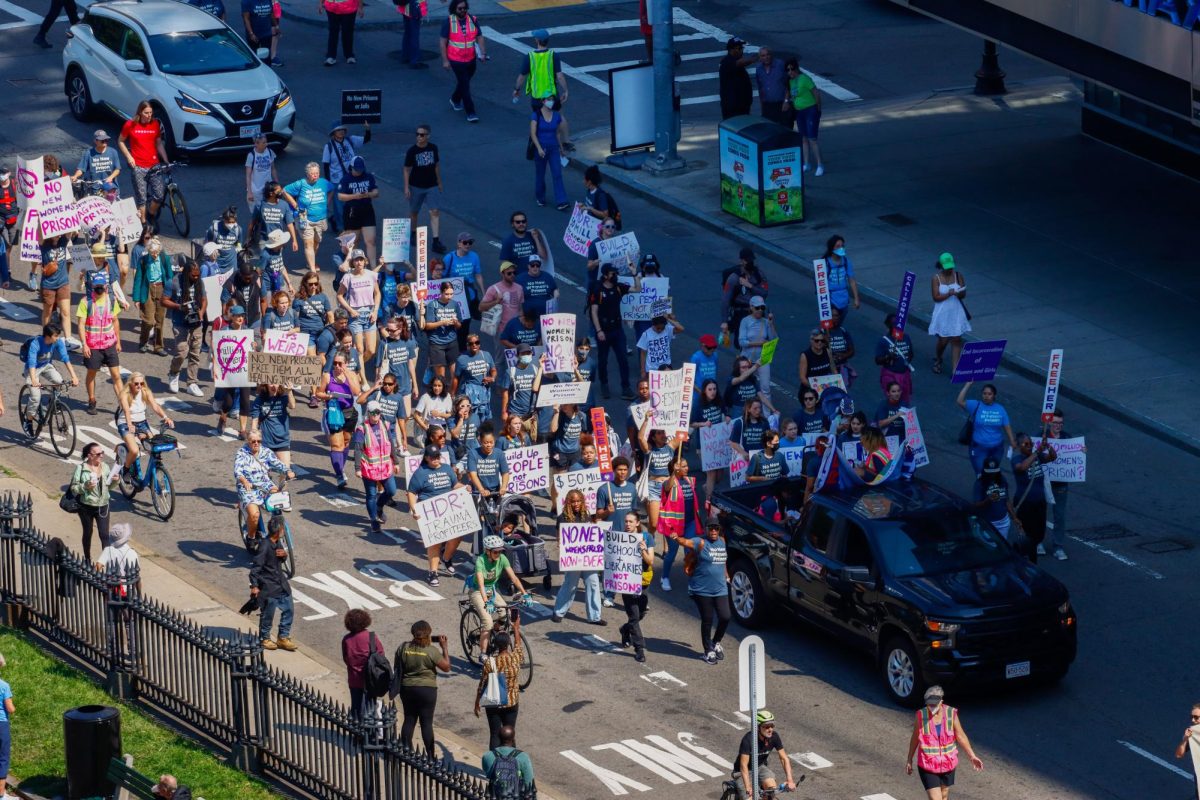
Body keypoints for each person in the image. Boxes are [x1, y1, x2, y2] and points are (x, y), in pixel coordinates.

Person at [905, 685, 984, 798]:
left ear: (941, 701)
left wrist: (972, 756)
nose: (931, 707)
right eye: (929, 705)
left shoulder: (951, 714)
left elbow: (960, 736)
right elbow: (915, 738)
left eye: (934, 705)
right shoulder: (921, 716)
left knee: (944, 795)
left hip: (948, 764)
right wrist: (909, 759)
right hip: (928, 765)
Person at [671, 521, 730, 664]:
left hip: (720, 588)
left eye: (717, 528)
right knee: (707, 619)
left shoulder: (722, 541)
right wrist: (676, 538)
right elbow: (686, 542)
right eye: (711, 528)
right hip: (701, 590)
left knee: (725, 616)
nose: (714, 531)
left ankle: (715, 642)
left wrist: (727, 575)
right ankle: (707, 650)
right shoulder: (700, 542)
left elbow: (722, 561)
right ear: (706, 529)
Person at [407, 445, 465, 585]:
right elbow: (412, 492)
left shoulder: (446, 468)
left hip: (449, 510)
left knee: (457, 536)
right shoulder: (420, 473)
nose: (436, 459)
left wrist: (464, 487)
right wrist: (414, 509)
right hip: (430, 513)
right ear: (426, 458)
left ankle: (446, 558)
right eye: (433, 457)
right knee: (435, 543)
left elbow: (454, 484)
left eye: (438, 456)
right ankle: (433, 573)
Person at [77, 271, 129, 417]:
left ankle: (122, 405)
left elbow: (115, 321)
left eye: (101, 287)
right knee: (92, 373)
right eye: (96, 287)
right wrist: (84, 344)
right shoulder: (85, 302)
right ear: (92, 287)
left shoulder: (111, 300)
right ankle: (92, 400)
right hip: (93, 346)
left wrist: (118, 341)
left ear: (106, 287)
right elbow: (81, 324)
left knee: (116, 376)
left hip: (109, 344)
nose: (98, 290)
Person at [474, 608, 525, 750]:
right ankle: (512, 763)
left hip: (494, 703)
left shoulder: (490, 662)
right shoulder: (515, 658)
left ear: (495, 645)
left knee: (495, 734)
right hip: (511, 702)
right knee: (510, 733)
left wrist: (477, 702)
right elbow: (518, 645)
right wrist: (516, 627)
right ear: (508, 644)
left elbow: (482, 683)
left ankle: (494, 764)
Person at [552, 490, 605, 625]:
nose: (576, 504)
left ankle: (595, 616)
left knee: (593, 583)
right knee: (570, 585)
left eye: (578, 501)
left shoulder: (587, 515)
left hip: (588, 558)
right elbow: (559, 538)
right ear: (568, 503)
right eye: (573, 501)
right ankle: (559, 612)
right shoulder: (562, 517)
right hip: (573, 559)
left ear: (582, 501)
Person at [117, 101, 169, 225]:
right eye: (146, 113)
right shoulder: (130, 124)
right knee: (142, 199)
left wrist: (166, 160)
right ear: (140, 112)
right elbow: (120, 141)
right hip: (138, 166)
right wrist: (129, 157)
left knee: (159, 195)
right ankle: (144, 223)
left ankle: (150, 214)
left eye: (151, 113)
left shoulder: (155, 124)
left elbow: (158, 144)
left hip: (154, 165)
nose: (149, 115)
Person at [317, 351, 362, 490]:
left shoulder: (352, 375)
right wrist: (328, 397)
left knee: (346, 441)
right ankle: (339, 475)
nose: (336, 366)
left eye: (340, 363)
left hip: (349, 413)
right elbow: (318, 393)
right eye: (335, 363)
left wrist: (347, 374)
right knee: (337, 445)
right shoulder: (327, 376)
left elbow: (356, 392)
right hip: (334, 413)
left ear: (346, 364)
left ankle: (340, 468)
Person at [250, 517, 296, 651]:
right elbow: (256, 567)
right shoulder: (264, 546)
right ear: (279, 530)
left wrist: (284, 555)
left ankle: (283, 637)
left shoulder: (277, 542)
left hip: (281, 584)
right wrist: (254, 586)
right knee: (268, 615)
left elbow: (281, 559)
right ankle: (264, 638)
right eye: (283, 528)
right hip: (269, 587)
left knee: (289, 610)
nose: (283, 531)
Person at [114, 372, 173, 475]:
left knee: (153, 448)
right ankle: (126, 470)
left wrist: (166, 418)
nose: (139, 386)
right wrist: (129, 425)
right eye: (136, 383)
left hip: (142, 423)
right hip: (125, 424)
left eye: (142, 383)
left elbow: (155, 406)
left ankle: (154, 473)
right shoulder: (124, 394)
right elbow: (127, 411)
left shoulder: (145, 392)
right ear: (131, 383)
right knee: (134, 450)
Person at [589, 264, 634, 400]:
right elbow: (593, 312)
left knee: (623, 359)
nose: (615, 276)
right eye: (612, 273)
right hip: (604, 331)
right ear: (605, 275)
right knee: (603, 359)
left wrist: (634, 273)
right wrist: (599, 331)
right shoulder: (597, 290)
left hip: (617, 330)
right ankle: (604, 384)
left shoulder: (619, 287)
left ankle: (625, 388)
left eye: (615, 273)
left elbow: (637, 289)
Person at [162, 258, 206, 397]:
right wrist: (179, 307)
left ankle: (191, 382)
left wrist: (201, 313)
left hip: (196, 323)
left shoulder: (200, 282)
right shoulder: (173, 282)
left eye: (198, 275)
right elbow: (163, 301)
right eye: (193, 275)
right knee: (182, 351)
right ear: (186, 273)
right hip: (180, 322)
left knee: (195, 353)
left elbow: (204, 299)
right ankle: (173, 374)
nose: (196, 277)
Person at [400, 126, 446, 257]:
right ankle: (413, 233)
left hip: (431, 185)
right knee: (414, 212)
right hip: (416, 186)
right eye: (417, 134)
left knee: (435, 211)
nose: (419, 137)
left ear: (428, 136)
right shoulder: (412, 151)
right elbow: (406, 169)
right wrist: (406, 186)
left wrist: (439, 182)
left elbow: (436, 165)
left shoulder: (433, 148)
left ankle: (436, 241)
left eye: (422, 135)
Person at [351, 401, 397, 533]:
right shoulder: (362, 428)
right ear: (368, 413)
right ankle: (373, 520)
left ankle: (379, 507)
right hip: (369, 468)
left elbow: (391, 444)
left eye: (378, 412)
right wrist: (357, 468)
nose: (375, 415)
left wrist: (396, 461)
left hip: (385, 467)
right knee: (371, 494)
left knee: (391, 491)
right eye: (372, 413)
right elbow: (358, 449)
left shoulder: (384, 425)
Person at [1042, 409, 1081, 561]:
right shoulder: (1042, 437)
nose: (1058, 426)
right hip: (1044, 482)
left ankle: (1058, 546)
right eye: (1055, 422)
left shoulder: (1067, 438)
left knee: (1059, 516)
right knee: (1040, 514)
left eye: (1061, 423)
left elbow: (1075, 455)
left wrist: (1081, 451)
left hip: (1060, 484)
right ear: (1049, 423)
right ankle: (1038, 542)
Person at [1012, 433, 1056, 563]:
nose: (1029, 446)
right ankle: (1030, 561)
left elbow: (1053, 457)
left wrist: (1047, 446)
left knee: (1039, 534)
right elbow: (1022, 467)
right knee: (1028, 534)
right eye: (1026, 444)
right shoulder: (1017, 459)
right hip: (1025, 503)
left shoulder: (1037, 456)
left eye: (1031, 443)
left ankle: (1024, 554)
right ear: (1020, 446)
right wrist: (1036, 452)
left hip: (1039, 502)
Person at [733, 710, 798, 800]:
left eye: (772, 726)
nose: (770, 729)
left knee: (772, 791)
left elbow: (784, 758)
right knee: (750, 798)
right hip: (742, 772)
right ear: (758, 727)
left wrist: (790, 780)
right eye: (766, 726)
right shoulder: (748, 740)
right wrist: (748, 787)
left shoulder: (774, 737)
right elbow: (743, 765)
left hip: (760, 767)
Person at [283, 163, 335, 273]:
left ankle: (310, 261)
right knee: (308, 244)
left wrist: (327, 201)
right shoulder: (301, 184)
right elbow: (285, 190)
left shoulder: (323, 183)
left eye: (317, 173)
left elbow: (332, 189)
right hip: (305, 219)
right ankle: (312, 270)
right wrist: (294, 203)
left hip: (321, 219)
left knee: (316, 242)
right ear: (307, 174)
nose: (315, 176)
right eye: (312, 174)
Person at [659, 457, 701, 592]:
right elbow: (667, 487)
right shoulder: (669, 482)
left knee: (690, 551)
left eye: (687, 465)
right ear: (675, 468)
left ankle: (691, 580)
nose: (687, 468)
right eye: (683, 466)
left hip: (690, 523)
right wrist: (673, 473)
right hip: (673, 525)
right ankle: (665, 577)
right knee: (672, 552)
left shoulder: (690, 481)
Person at [21, 322, 80, 420]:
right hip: (32, 369)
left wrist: (74, 376)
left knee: (59, 383)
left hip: (46, 366)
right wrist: (34, 380)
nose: (58, 338)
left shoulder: (58, 342)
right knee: (35, 397)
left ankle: (51, 405)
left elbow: (65, 358)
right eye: (55, 336)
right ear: (48, 336)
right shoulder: (36, 344)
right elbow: (31, 363)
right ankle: (28, 420)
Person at [956, 381, 1015, 477]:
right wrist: (968, 384)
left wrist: (1012, 440)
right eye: (984, 393)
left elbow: (1006, 426)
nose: (986, 396)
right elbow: (960, 401)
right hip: (979, 448)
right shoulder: (975, 405)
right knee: (981, 474)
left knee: (992, 473)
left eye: (989, 394)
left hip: (997, 449)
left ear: (994, 395)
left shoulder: (1000, 409)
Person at [440, 0, 486, 124]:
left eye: (464, 8)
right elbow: (443, 42)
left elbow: (479, 36)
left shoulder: (473, 19)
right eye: (460, 8)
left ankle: (455, 99)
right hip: (456, 60)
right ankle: (471, 112)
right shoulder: (449, 22)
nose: (463, 11)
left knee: (464, 82)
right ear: (454, 9)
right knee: (465, 85)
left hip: (471, 59)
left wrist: (482, 53)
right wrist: (445, 61)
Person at [70, 442, 116, 562]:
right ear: (90, 456)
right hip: (86, 506)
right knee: (88, 532)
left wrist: (116, 480)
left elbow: (109, 487)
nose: (102, 456)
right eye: (99, 454)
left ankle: (106, 563)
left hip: (103, 506)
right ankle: (87, 559)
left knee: (105, 535)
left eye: (102, 453)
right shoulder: (81, 468)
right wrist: (85, 486)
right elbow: (74, 487)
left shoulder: (105, 467)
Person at [322, 121, 371, 232]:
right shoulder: (328, 146)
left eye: (343, 129)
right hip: (337, 180)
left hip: (352, 178)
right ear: (333, 133)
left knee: (353, 203)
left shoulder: (350, 140)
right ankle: (341, 227)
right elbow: (326, 165)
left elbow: (366, 140)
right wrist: (328, 183)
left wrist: (367, 129)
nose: (341, 132)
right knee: (340, 206)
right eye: (338, 130)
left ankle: (336, 219)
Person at [929, 252, 971, 375]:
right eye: (947, 267)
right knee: (943, 340)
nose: (949, 269)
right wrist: (949, 293)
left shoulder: (958, 275)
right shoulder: (936, 278)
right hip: (942, 312)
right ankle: (938, 358)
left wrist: (959, 292)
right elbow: (935, 297)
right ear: (941, 266)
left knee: (957, 339)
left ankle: (955, 369)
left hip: (955, 311)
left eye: (951, 267)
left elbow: (963, 294)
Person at [338, 250, 381, 367]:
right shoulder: (348, 277)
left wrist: (375, 311)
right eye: (356, 260)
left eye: (361, 259)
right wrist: (350, 310)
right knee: (360, 350)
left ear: (365, 261)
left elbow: (377, 294)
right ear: (353, 262)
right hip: (355, 315)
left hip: (370, 314)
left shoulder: (371, 275)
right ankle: (362, 379)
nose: (359, 262)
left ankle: (357, 368)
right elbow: (339, 296)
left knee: (371, 350)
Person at [340, 608, 384, 722]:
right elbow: (381, 657)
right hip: (371, 679)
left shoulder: (347, 639)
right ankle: (369, 732)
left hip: (354, 679)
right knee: (370, 706)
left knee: (356, 706)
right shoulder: (371, 637)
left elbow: (346, 658)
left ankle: (357, 731)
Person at [514, 28, 568, 114]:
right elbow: (560, 76)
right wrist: (565, 91)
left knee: (538, 120)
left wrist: (517, 89)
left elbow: (521, 77)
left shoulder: (529, 57)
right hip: (551, 95)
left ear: (537, 40)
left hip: (537, 98)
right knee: (556, 118)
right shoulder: (553, 55)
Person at [785, 57, 823, 175]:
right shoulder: (790, 82)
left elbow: (816, 93)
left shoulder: (804, 79)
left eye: (792, 69)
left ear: (796, 68)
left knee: (812, 139)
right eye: (788, 70)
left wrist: (818, 109)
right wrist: (787, 101)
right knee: (804, 139)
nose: (790, 72)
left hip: (810, 110)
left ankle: (820, 164)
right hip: (799, 112)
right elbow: (791, 95)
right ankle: (806, 163)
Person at [530, 98, 569, 210]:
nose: (551, 101)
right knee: (540, 174)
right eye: (548, 99)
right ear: (543, 101)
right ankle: (540, 197)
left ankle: (562, 201)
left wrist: (561, 148)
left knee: (557, 174)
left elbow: (557, 134)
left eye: (552, 99)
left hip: (553, 149)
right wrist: (539, 148)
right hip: (541, 150)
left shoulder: (556, 116)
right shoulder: (536, 115)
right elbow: (533, 134)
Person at [722, 254, 769, 348]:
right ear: (741, 261)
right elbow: (725, 300)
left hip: (758, 312)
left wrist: (750, 286)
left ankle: (756, 361)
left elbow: (764, 293)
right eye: (746, 260)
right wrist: (724, 321)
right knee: (741, 343)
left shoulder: (759, 275)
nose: (748, 263)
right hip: (741, 312)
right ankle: (744, 360)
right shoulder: (734, 278)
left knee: (765, 338)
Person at [499, 346, 544, 438]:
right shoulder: (510, 371)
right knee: (517, 442)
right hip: (515, 415)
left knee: (531, 443)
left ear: (532, 354)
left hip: (531, 416)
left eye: (528, 353)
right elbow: (505, 393)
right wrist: (504, 412)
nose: (526, 355)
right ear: (517, 355)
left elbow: (538, 390)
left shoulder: (536, 370)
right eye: (523, 353)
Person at [483, 725, 536, 800]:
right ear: (513, 739)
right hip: (515, 796)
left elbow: (488, 773)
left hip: (495, 795)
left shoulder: (488, 756)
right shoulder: (523, 757)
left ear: (499, 738)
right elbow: (529, 782)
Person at [38, 234, 73, 345]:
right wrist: (40, 218)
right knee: (47, 313)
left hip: (63, 283)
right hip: (48, 286)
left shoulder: (63, 241)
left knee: (66, 312)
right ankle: (47, 336)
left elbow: (69, 230)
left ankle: (68, 339)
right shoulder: (44, 245)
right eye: (54, 233)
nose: (57, 235)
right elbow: (40, 231)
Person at [738, 297, 776, 394]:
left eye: (762, 308)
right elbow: (741, 342)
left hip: (763, 358)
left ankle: (767, 409)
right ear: (751, 307)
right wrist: (759, 343)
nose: (760, 310)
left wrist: (771, 324)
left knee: (766, 387)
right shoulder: (745, 321)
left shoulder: (766, 322)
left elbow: (773, 340)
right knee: (745, 387)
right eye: (757, 308)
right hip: (747, 358)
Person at [251, 383, 295, 467]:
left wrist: (289, 391)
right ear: (265, 385)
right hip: (265, 442)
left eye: (276, 383)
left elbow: (292, 406)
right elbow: (255, 420)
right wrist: (254, 437)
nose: (274, 386)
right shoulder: (259, 400)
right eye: (271, 384)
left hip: (282, 441)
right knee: (264, 473)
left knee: (285, 470)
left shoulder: (283, 397)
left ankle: (282, 480)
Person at [876, 313, 915, 405]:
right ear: (888, 325)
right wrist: (888, 357)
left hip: (904, 374)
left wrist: (904, 363)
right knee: (893, 400)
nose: (896, 326)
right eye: (893, 324)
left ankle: (901, 417)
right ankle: (892, 416)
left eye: (898, 323)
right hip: (890, 375)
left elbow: (911, 354)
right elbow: (877, 360)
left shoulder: (906, 337)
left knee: (904, 401)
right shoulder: (884, 341)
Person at [823, 235, 859, 319]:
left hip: (844, 299)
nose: (841, 248)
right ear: (832, 248)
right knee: (831, 324)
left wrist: (856, 298)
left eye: (842, 246)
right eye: (838, 246)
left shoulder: (846, 262)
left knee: (839, 323)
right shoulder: (825, 263)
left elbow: (852, 281)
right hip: (831, 299)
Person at [719, 37, 755, 120]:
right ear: (732, 50)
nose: (742, 50)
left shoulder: (733, 61)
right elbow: (739, 63)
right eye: (740, 48)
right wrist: (754, 59)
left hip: (742, 106)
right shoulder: (726, 62)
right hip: (733, 108)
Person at [320, 0, 362, 65]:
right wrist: (321, 3)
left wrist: (360, 7)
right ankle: (331, 56)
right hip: (332, 7)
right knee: (333, 32)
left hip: (348, 8)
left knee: (347, 32)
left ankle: (349, 55)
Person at [756, 47, 788, 124]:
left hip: (781, 104)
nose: (766, 57)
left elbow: (788, 83)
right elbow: (760, 88)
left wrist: (786, 101)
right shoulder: (758, 68)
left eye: (768, 54)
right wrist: (762, 106)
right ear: (760, 58)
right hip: (767, 105)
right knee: (770, 129)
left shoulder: (780, 65)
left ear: (771, 55)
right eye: (763, 56)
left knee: (784, 128)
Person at [242, 0, 279, 65]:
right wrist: (251, 33)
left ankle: (267, 71)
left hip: (266, 33)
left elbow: (271, 14)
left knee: (266, 56)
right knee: (254, 56)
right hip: (254, 34)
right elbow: (246, 19)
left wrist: (276, 26)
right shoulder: (247, 1)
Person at [398, 0, 428, 69]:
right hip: (415, 7)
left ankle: (405, 56)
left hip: (405, 7)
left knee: (408, 33)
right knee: (414, 35)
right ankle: (414, 60)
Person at [1173, 702, 1200, 768]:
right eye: (1191, 717)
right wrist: (1185, 739)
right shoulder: (1192, 733)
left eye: (1196, 717)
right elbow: (1178, 755)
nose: (1193, 720)